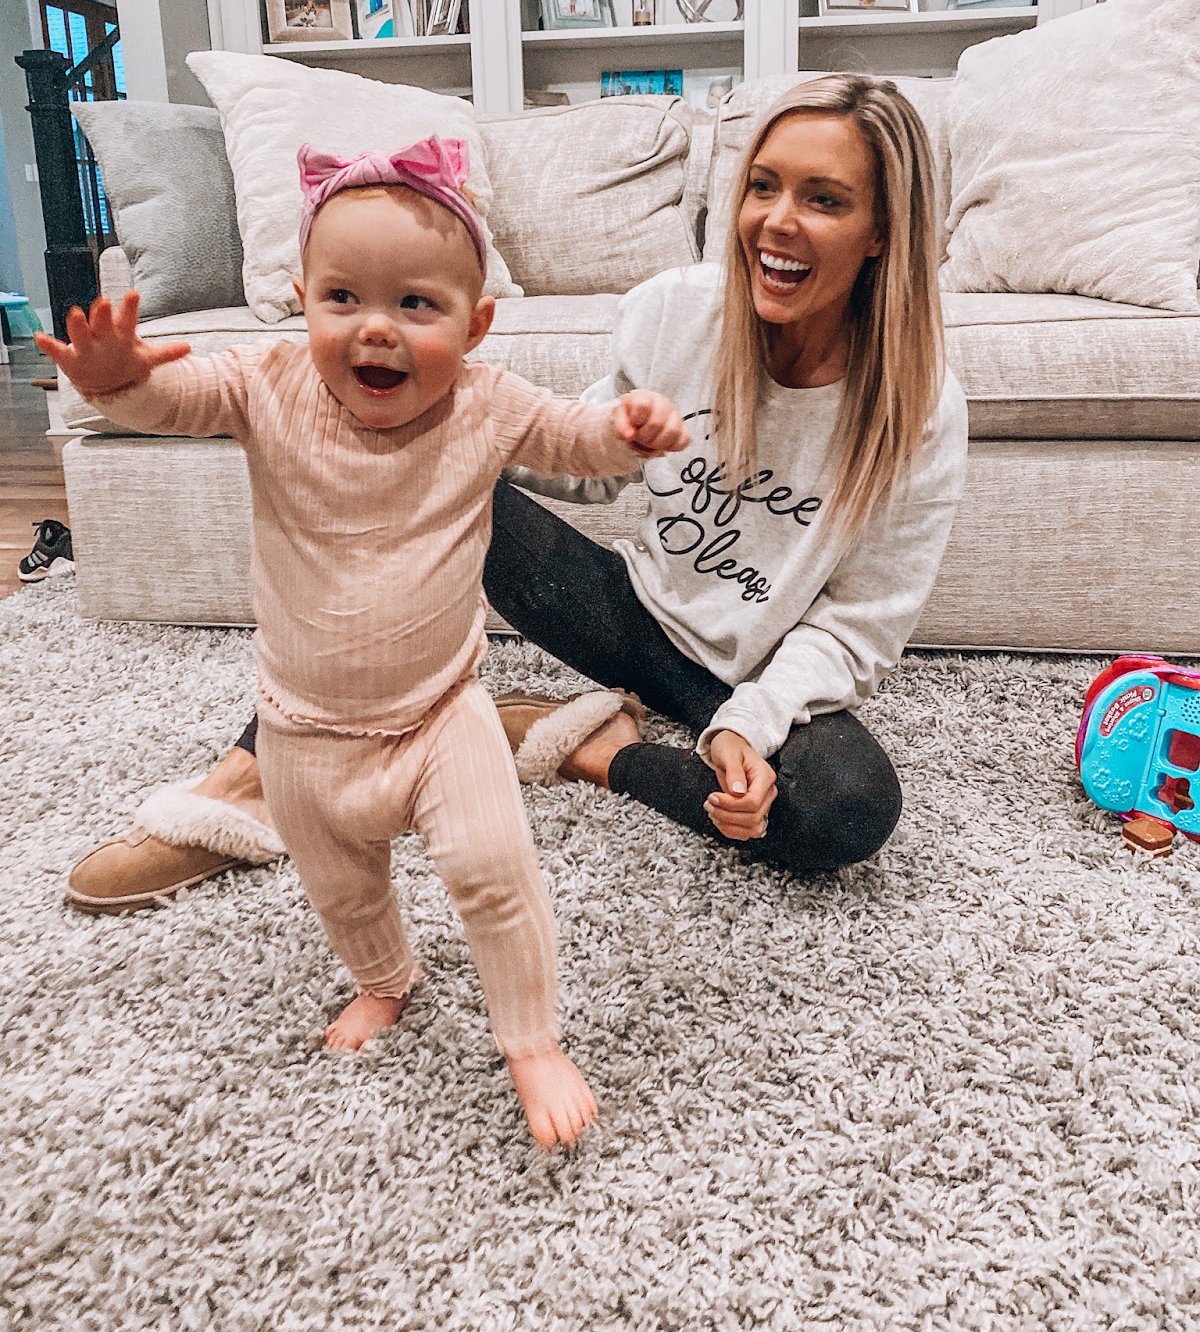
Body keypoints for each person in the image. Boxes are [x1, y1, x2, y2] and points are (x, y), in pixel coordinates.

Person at [67, 74, 968, 964]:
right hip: (631, 615)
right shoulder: (680, 311)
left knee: (845, 810)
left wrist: (751, 724)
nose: (776, 221)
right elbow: (578, 466)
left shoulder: (921, 406)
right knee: (408, 468)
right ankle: (253, 773)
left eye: (824, 199)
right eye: (763, 186)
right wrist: (429, 401)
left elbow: (859, 625)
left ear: (881, 231)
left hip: (761, 667)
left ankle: (585, 748)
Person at [37, 136, 690, 1150]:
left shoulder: (485, 403)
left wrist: (625, 430)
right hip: (300, 732)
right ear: (302, 300)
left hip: (440, 715)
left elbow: (571, 435)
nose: (375, 328)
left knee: (494, 868)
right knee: (344, 889)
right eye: (343, 297)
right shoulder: (265, 383)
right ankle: (386, 980)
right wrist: (117, 383)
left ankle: (531, 1042)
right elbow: (173, 399)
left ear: (474, 326)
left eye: (417, 305)